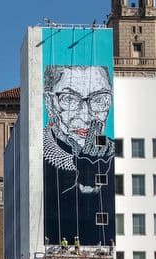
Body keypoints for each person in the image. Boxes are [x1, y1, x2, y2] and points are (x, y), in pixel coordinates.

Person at [43, 64, 115, 248]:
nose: (86, 115)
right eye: (69, 99)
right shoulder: (39, 158)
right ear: (50, 103)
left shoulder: (117, 156)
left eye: (100, 99)